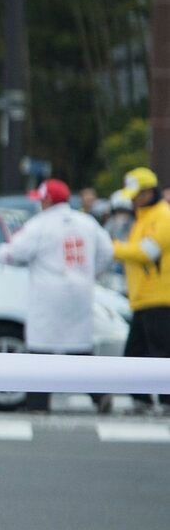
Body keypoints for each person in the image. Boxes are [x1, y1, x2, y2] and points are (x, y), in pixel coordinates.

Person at [0, 178, 114, 412]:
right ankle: (99, 394)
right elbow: (107, 251)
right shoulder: (86, 222)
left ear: (47, 200)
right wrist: (90, 273)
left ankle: (38, 403)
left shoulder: (40, 225)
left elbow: (15, 251)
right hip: (80, 293)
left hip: (48, 294)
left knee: (40, 350)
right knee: (80, 348)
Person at [115, 167, 170, 413]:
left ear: (149, 191)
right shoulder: (145, 216)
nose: (133, 199)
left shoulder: (163, 217)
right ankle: (142, 401)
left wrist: (113, 247)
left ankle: (164, 402)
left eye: (136, 194)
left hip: (160, 297)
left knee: (161, 353)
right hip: (144, 298)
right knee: (136, 353)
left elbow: (147, 252)